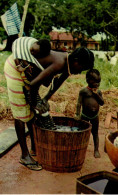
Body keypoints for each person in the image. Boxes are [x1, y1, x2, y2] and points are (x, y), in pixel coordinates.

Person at [4, 36, 94, 170]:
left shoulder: (67, 63)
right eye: (81, 68)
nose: (80, 72)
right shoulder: (59, 62)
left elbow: (57, 83)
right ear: (76, 61)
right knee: (21, 112)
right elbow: (34, 85)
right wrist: (35, 104)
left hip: (27, 72)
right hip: (16, 69)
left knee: (32, 112)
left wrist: (45, 99)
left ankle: (35, 147)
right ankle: (24, 155)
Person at [75, 69, 104, 158]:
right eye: (95, 82)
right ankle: (79, 149)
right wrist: (77, 114)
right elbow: (79, 103)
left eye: (98, 82)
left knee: (95, 133)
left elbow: (102, 103)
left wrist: (96, 95)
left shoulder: (98, 92)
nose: (97, 84)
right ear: (88, 80)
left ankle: (96, 150)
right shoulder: (84, 91)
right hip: (84, 115)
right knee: (82, 132)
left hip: (95, 116)